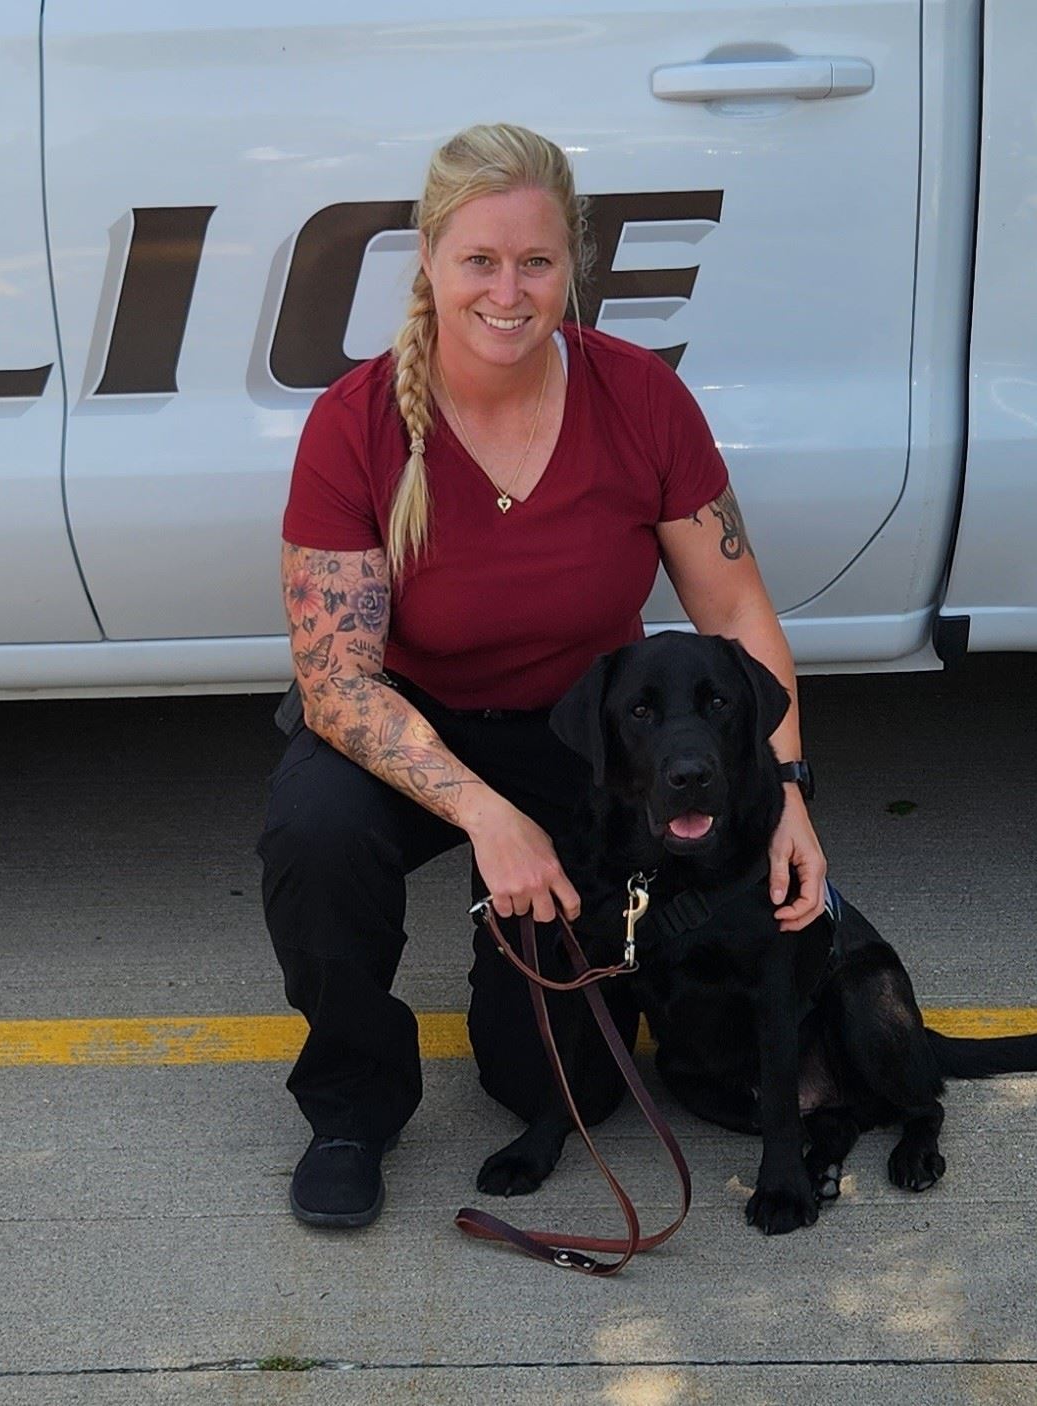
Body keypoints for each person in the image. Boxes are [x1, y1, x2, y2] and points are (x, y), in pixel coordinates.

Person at [256, 123, 827, 1229]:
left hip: (582, 738)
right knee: (314, 830)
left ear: (571, 266)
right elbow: (335, 684)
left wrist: (790, 785)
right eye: (478, 260)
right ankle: (346, 1110)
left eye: (535, 262)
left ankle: (527, 985)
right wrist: (485, 817)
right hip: (411, 725)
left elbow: (733, 609)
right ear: (427, 259)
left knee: (552, 1084)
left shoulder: (640, 400)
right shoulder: (354, 423)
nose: (507, 292)